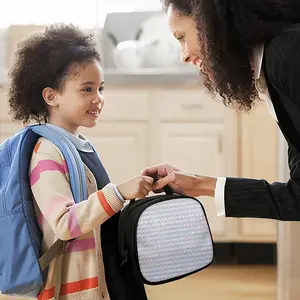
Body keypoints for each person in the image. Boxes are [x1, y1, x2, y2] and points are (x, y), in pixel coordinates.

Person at [8, 24, 153, 300]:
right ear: (52, 96)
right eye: (86, 89)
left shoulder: (78, 145)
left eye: (100, 88)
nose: (98, 99)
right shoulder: (47, 154)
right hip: (79, 285)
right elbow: (64, 223)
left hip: (106, 272)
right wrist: (120, 192)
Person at [142, 0, 300, 221]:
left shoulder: (286, 55)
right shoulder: (274, 61)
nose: (184, 56)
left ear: (211, 23)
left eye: (182, 37)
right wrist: (199, 184)